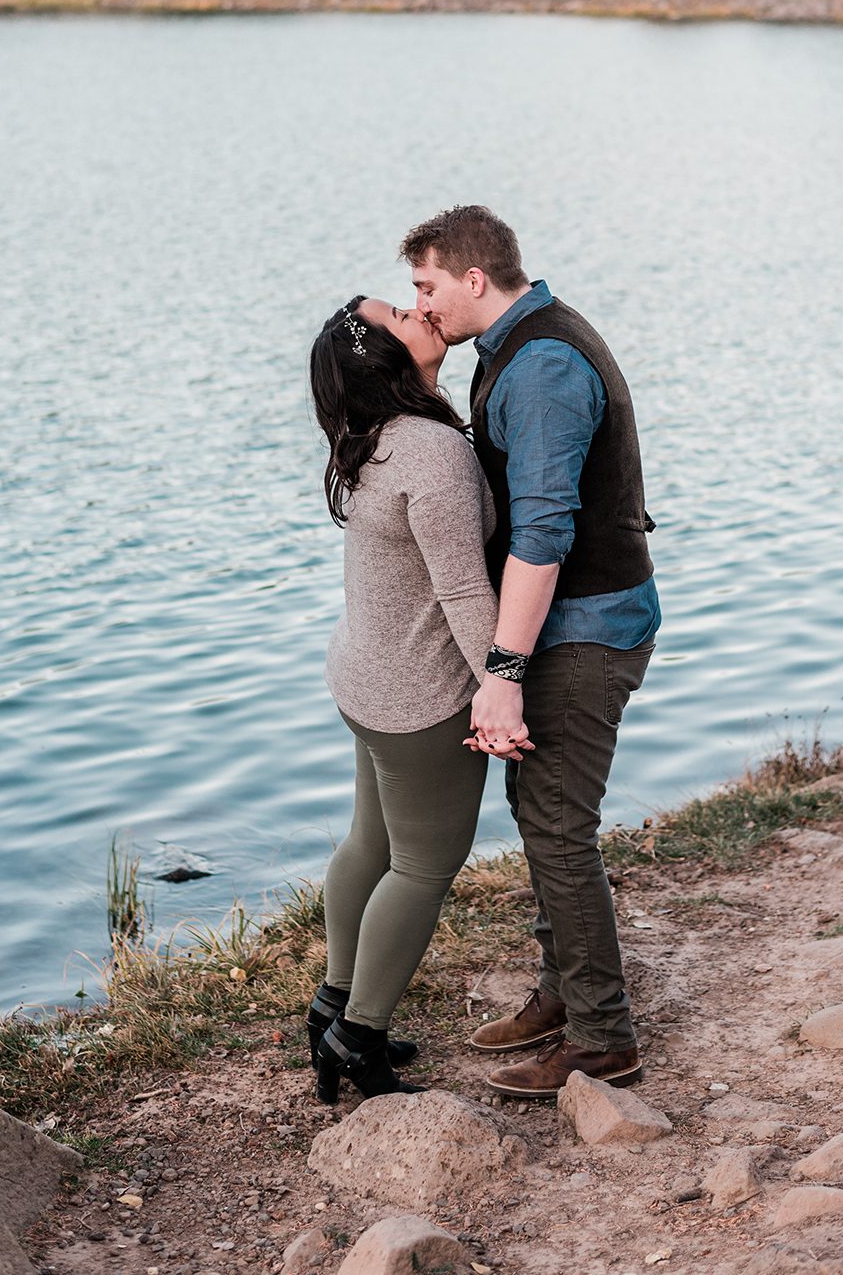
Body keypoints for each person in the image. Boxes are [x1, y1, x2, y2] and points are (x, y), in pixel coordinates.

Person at [401, 205, 660, 1097]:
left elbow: (544, 534)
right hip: (571, 622)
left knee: (557, 826)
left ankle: (602, 1038)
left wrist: (502, 675)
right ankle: (562, 991)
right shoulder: (516, 346)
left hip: (585, 629)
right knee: (539, 811)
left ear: (475, 280)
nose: (422, 305)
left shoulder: (543, 367)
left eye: (427, 286)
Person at [307, 294, 501, 1104]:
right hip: (420, 695)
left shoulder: (374, 440)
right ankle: (359, 1038)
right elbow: (461, 590)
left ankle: (330, 1006)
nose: (421, 310)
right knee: (423, 866)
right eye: (400, 313)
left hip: (365, 676)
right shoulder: (428, 450)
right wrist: (504, 684)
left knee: (371, 844)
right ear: (386, 356)